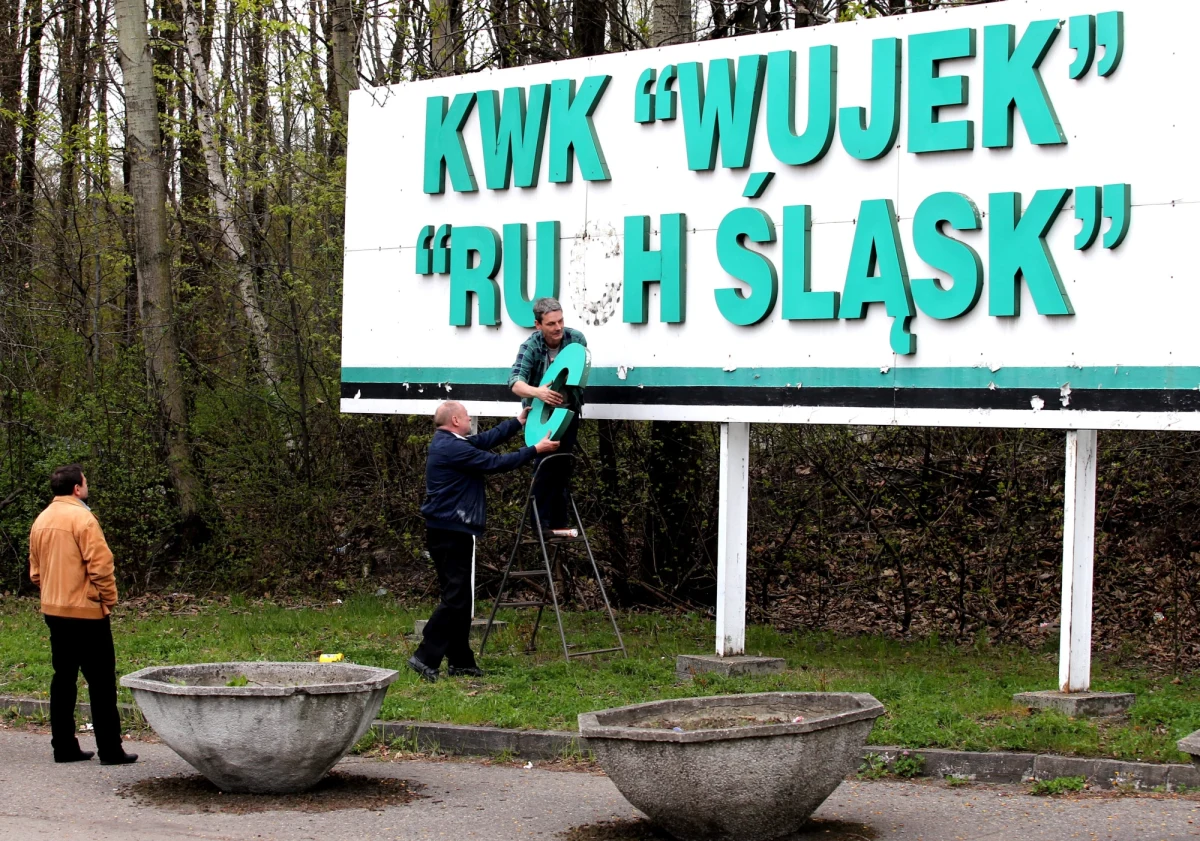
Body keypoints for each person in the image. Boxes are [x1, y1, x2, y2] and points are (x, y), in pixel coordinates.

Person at [410, 401, 559, 682]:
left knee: (460, 600)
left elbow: (485, 440)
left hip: (449, 530)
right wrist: (535, 450)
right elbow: (495, 462)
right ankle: (424, 656)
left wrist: (518, 422)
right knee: (455, 599)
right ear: (455, 420)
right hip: (449, 532)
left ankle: (461, 661)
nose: (469, 421)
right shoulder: (452, 448)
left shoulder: (451, 442)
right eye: (466, 417)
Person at [28, 465, 137, 765]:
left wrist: (52, 591)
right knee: (101, 682)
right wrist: (108, 600)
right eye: (85, 483)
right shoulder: (83, 518)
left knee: (63, 679)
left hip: (54, 609)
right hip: (87, 613)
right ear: (77, 488)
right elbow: (101, 565)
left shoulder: (41, 520)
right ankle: (110, 750)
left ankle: (63, 746)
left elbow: (35, 572)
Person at [508, 297, 587, 536]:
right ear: (538, 324)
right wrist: (539, 393)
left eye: (561, 321)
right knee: (544, 465)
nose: (558, 327)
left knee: (562, 465)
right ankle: (539, 525)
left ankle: (558, 522)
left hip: (566, 413)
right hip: (539, 418)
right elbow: (514, 383)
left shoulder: (577, 340)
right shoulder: (531, 346)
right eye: (551, 323)